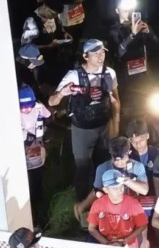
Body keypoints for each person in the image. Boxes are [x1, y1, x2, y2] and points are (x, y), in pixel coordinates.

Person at [50, 39, 120, 201]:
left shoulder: (109, 73)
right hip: (82, 129)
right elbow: (52, 102)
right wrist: (62, 93)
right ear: (85, 56)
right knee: (83, 168)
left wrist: (116, 124)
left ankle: (104, 201)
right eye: (95, 53)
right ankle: (82, 204)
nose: (100, 56)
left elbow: (116, 101)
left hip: (104, 126)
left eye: (102, 53)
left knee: (104, 165)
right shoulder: (74, 75)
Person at [73, 136, 149, 222]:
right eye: (116, 159)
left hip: (131, 202)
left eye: (122, 158)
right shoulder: (103, 168)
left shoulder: (138, 166)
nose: (119, 163)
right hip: (110, 201)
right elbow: (97, 191)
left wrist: (127, 181)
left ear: (129, 152)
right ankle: (82, 208)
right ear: (110, 153)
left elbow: (144, 191)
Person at [108, 0, 159, 114]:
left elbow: (158, 46)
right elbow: (118, 53)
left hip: (143, 73)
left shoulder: (142, 26)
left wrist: (149, 33)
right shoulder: (114, 31)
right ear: (117, 11)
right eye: (125, 10)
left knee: (150, 106)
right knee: (129, 107)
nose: (129, 13)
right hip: (126, 76)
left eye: (131, 10)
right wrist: (132, 35)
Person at [18, 87, 51, 225]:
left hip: (36, 148)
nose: (26, 109)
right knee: (23, 180)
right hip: (21, 149)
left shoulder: (38, 108)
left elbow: (48, 116)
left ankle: (39, 207)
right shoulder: (14, 112)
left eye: (29, 106)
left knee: (37, 178)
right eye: (23, 107)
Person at [126, 120, 159, 217]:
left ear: (147, 136)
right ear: (129, 140)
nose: (138, 145)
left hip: (156, 196)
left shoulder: (158, 154)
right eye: (134, 142)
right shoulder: (127, 157)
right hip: (134, 199)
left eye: (141, 140)